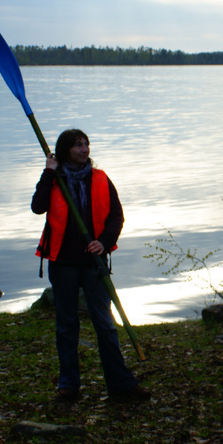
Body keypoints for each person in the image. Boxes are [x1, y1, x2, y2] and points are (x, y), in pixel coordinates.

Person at [31, 128, 150, 402]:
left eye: (86, 144)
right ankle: (68, 385)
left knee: (105, 324)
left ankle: (120, 384)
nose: (84, 150)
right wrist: (48, 172)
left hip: (94, 261)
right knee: (67, 325)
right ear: (65, 151)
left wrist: (104, 243)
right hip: (62, 262)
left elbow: (116, 217)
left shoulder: (100, 179)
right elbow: (38, 207)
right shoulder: (54, 179)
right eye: (77, 146)